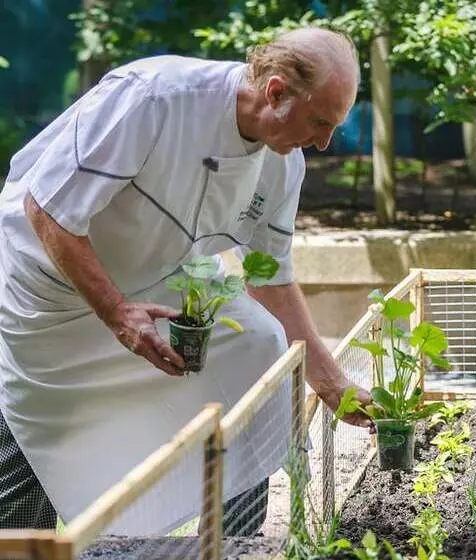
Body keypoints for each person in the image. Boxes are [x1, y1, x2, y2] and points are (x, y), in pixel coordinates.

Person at [0, 27, 371, 536]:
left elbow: (273, 280)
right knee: (32, 436)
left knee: (258, 344)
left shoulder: (284, 166)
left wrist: (332, 384)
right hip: (48, 288)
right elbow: (47, 211)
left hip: (159, 279)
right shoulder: (153, 97)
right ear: (277, 92)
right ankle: (24, 541)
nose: (326, 141)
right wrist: (116, 311)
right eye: (320, 122)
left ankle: (232, 543)